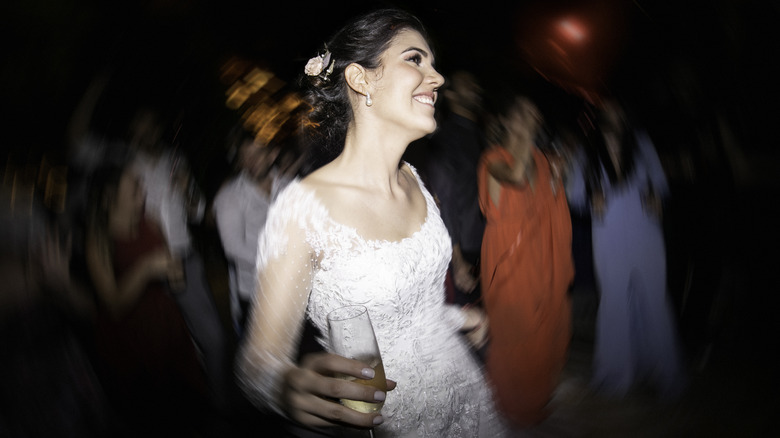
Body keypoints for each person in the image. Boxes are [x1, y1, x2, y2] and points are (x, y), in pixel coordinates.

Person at [236, 9, 507, 437]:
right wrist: (284, 387)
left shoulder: (414, 181)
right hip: (390, 421)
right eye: (415, 59)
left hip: (466, 395)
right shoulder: (305, 209)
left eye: (433, 64)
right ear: (361, 80)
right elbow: (256, 364)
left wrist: (455, 319)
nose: (437, 78)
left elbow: (409, 308)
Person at [565, 98, 687, 400]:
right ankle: (615, 373)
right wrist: (590, 201)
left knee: (655, 300)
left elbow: (659, 182)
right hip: (608, 235)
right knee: (614, 302)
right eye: (607, 110)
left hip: (646, 232)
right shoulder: (587, 150)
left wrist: (658, 197)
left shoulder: (641, 143)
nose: (613, 114)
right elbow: (574, 194)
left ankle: (665, 371)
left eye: (618, 110)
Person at [83, 161, 212, 434]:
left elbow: (174, 279)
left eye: (140, 185)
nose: (142, 191)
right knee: (153, 415)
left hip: (165, 323)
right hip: (131, 338)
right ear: (109, 197)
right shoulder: (98, 240)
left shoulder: (151, 221)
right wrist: (145, 269)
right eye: (134, 188)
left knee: (189, 406)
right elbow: (113, 306)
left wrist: (175, 273)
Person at [477, 95, 574, 427]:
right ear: (508, 120)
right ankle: (503, 407)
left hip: (537, 254)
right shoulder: (492, 159)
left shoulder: (543, 161)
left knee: (542, 330)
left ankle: (532, 402)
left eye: (533, 114)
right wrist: (527, 138)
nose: (529, 118)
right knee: (512, 335)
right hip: (506, 259)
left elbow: (551, 209)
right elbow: (516, 176)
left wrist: (557, 179)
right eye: (521, 113)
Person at [213, 130, 299, 337]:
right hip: (257, 294)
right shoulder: (229, 197)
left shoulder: (289, 187)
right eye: (245, 156)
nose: (250, 161)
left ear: (272, 154)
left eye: (257, 154)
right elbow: (233, 247)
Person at [425, 70, 486, 311]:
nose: (475, 89)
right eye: (466, 85)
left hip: (487, 245)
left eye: (475, 84)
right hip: (463, 249)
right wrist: (458, 260)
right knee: (466, 319)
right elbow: (444, 201)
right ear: (450, 95)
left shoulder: (480, 134)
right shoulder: (447, 138)